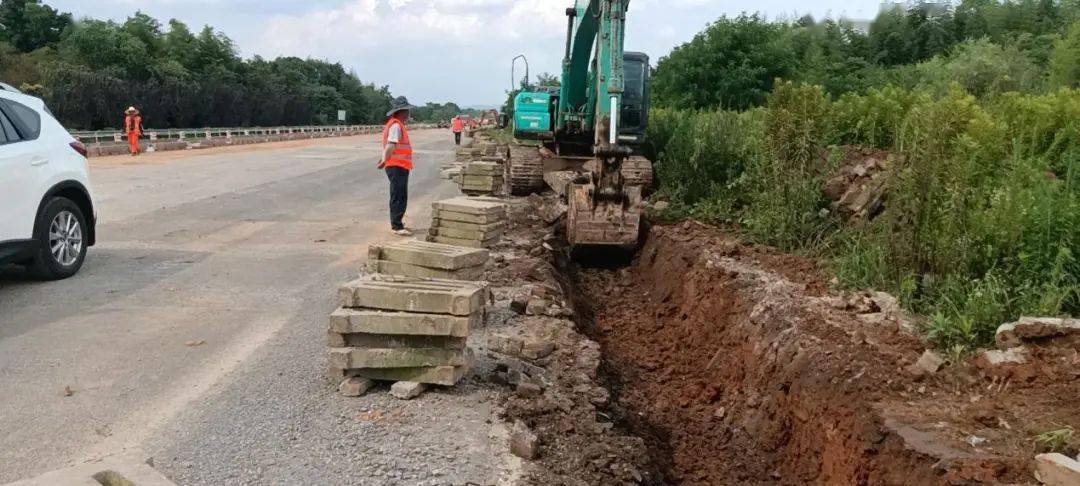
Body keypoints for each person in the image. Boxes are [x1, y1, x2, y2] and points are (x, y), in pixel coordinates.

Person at [380, 96, 418, 236]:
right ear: (402, 111)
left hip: (398, 165)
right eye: (407, 110)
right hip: (397, 165)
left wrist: (384, 158)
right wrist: (385, 159)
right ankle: (396, 226)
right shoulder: (396, 125)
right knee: (398, 195)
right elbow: (391, 144)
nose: (409, 113)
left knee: (399, 194)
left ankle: (398, 222)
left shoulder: (395, 124)